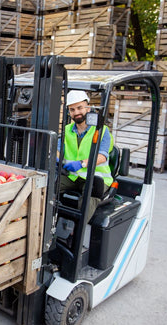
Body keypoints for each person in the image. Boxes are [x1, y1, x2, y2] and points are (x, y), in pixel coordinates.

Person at [59, 90, 113, 225]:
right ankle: (48, 224)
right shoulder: (66, 130)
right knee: (47, 185)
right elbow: (58, 150)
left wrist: (82, 163)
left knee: (89, 194)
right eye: (72, 109)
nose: (76, 112)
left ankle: (76, 234)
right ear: (68, 112)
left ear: (88, 107)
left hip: (96, 178)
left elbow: (102, 156)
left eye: (79, 108)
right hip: (72, 176)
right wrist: (57, 159)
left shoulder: (102, 130)